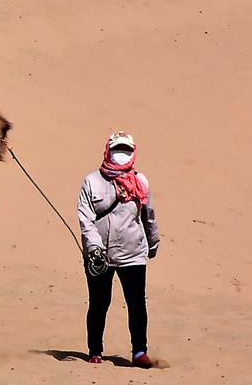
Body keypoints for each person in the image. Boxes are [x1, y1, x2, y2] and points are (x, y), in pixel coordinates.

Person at [77, 131, 160, 369]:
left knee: (136, 303)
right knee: (99, 302)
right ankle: (95, 350)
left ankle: (139, 351)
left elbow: (149, 217)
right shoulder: (92, 181)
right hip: (98, 255)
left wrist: (153, 244)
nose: (121, 155)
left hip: (132, 252)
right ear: (107, 151)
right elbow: (86, 218)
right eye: (117, 149)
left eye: (125, 150)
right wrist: (93, 247)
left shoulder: (140, 181)